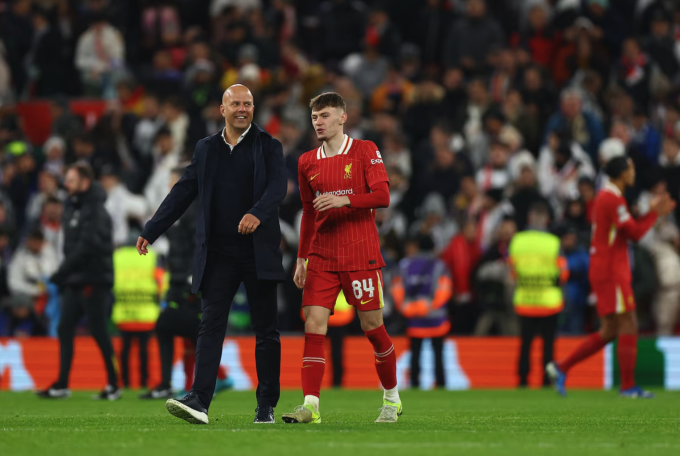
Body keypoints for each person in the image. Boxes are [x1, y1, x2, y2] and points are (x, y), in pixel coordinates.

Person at [137, 85, 287, 424]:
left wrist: (257, 213)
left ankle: (266, 405)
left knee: (266, 330)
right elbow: (183, 191)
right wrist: (152, 229)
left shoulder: (268, 146)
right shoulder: (206, 149)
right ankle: (200, 400)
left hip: (258, 251)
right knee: (210, 325)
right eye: (236, 104)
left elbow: (278, 187)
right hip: (218, 254)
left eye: (248, 104)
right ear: (222, 109)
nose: (242, 109)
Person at [281, 92, 401, 424]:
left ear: (342, 117)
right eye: (314, 117)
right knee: (313, 325)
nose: (318, 122)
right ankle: (311, 406)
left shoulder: (365, 150)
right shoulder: (306, 161)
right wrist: (302, 257)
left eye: (325, 115)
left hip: (360, 253)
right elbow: (308, 212)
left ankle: (391, 398)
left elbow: (383, 196)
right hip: (322, 255)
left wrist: (343, 199)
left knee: (372, 327)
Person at [547, 156, 675, 398]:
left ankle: (561, 367)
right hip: (611, 271)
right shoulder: (612, 199)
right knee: (629, 324)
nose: (634, 172)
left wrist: (644, 214)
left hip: (606, 268)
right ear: (622, 174)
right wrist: (653, 214)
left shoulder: (609, 197)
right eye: (631, 168)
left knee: (609, 330)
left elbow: (622, 232)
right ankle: (627, 386)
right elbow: (634, 234)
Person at [140, 164, 232, 400]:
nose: (170, 186)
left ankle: (178, 384)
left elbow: (199, 243)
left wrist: (195, 276)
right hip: (181, 278)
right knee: (191, 332)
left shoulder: (194, 208)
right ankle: (214, 378)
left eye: (173, 182)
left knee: (170, 326)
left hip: (190, 280)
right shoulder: (183, 208)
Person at [37, 162, 120, 400]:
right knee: (64, 328)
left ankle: (114, 384)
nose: (66, 184)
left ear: (84, 182)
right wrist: (66, 273)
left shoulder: (96, 211)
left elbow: (87, 247)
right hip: (75, 277)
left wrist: (60, 273)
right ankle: (62, 384)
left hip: (94, 278)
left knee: (99, 331)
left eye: (71, 180)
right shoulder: (73, 206)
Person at [508, 203, 568, 387]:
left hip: (525, 300)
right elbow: (564, 273)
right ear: (547, 220)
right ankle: (547, 380)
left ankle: (523, 379)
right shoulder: (553, 242)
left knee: (525, 343)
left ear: (529, 218)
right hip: (549, 301)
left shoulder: (517, 240)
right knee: (548, 344)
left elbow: (511, 271)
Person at [391, 235, 453, 389]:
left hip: (414, 318)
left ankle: (414, 384)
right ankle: (441, 385)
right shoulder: (440, 266)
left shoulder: (405, 265)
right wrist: (428, 306)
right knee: (438, 354)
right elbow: (445, 290)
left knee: (415, 354)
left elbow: (396, 288)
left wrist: (406, 307)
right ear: (433, 248)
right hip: (436, 318)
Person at [111, 245, 161, 390]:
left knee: (125, 350)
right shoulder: (151, 256)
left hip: (124, 311)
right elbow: (160, 282)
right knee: (144, 350)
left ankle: (125, 381)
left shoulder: (118, 256)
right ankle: (144, 381)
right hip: (146, 313)